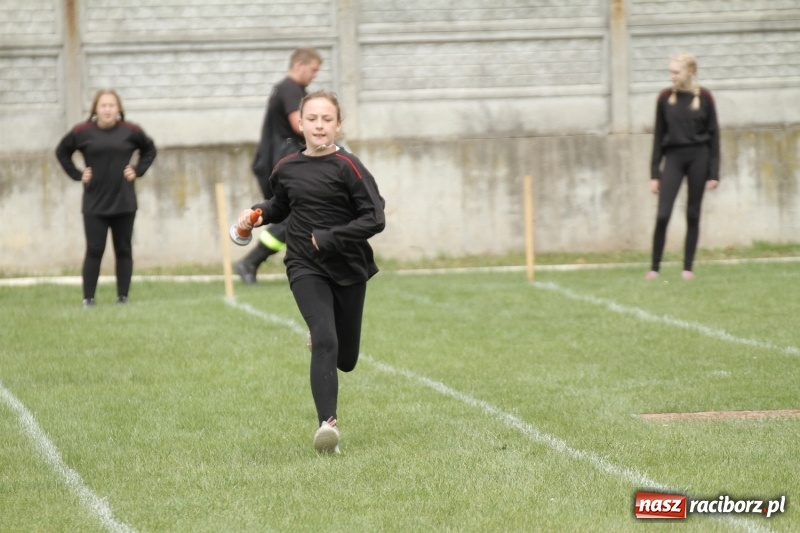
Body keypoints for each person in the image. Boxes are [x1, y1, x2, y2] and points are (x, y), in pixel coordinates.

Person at [235, 90, 385, 454]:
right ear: (300, 123)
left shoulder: (349, 167)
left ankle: (322, 337)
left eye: (327, 119)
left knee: (345, 359)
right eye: (312, 119)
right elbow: (281, 205)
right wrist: (256, 215)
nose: (319, 125)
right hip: (304, 264)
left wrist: (333, 237)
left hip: (348, 265)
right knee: (325, 340)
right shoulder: (285, 167)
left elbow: (375, 218)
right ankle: (327, 427)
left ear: (338, 125)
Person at [55, 89, 157, 307]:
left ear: (118, 108)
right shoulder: (83, 132)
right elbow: (62, 152)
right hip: (94, 203)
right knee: (94, 249)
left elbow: (150, 149)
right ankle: (88, 299)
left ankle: (123, 297)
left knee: (123, 249)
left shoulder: (131, 131)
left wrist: (138, 170)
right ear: (95, 109)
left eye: (112, 105)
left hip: (125, 201)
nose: (108, 109)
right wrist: (78, 174)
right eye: (103, 105)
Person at [234, 47, 322, 285]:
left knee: (297, 217)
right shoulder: (290, 89)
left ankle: (302, 268)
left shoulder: (289, 89)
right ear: (300, 65)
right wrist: (327, 131)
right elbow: (298, 124)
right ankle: (249, 262)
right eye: (313, 70)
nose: (315, 75)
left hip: (275, 163)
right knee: (293, 217)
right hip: (282, 165)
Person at [646, 52, 719, 281]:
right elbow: (658, 136)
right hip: (674, 159)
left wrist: (714, 172)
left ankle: (687, 268)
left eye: (676, 72)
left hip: (699, 157)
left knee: (693, 213)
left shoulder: (705, 97)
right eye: (670, 72)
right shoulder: (664, 98)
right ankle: (654, 268)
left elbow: (714, 136)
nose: (672, 76)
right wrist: (655, 173)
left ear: (690, 72)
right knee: (662, 214)